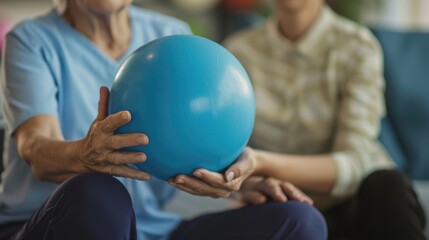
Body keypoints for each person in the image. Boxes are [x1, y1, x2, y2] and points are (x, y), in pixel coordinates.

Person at [0, 0, 328, 239]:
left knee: (300, 222)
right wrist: (86, 156)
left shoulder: (171, 35)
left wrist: (237, 179)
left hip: (155, 228)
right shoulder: (32, 40)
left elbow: (186, 147)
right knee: (100, 193)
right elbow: (36, 149)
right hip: (58, 221)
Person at [222, 0, 427, 239]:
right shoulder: (238, 52)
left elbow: (355, 162)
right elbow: (229, 151)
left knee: (389, 185)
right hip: (283, 203)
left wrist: (261, 163)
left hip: (356, 202)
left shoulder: (357, 46)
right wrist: (246, 183)